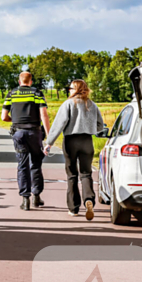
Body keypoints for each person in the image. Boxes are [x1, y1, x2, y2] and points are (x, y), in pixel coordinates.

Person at [44, 79, 106, 220]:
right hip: (87, 141)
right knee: (86, 173)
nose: (69, 90)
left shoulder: (68, 104)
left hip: (71, 141)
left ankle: (73, 208)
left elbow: (59, 124)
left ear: (76, 89)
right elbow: (100, 126)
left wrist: (49, 143)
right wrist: (90, 129)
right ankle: (89, 199)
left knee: (72, 174)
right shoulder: (92, 105)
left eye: (71, 88)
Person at [3, 72, 52, 210]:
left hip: (18, 133)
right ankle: (36, 196)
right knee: (36, 163)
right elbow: (44, 115)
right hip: (34, 132)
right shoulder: (37, 93)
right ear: (30, 81)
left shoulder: (11, 94)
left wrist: (16, 120)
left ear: (19, 81)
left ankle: (25, 200)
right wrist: (49, 135)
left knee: (22, 164)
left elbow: (3, 117)